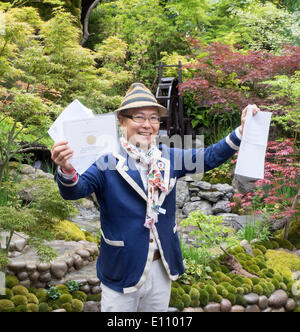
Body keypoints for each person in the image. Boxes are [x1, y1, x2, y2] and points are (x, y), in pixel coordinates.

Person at [51, 83, 259, 312]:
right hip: (122, 267)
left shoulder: (168, 158)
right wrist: (66, 169)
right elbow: (74, 191)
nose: (147, 125)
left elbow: (208, 157)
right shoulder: (105, 160)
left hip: (162, 267)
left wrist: (241, 132)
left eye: (154, 118)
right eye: (139, 117)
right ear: (122, 120)